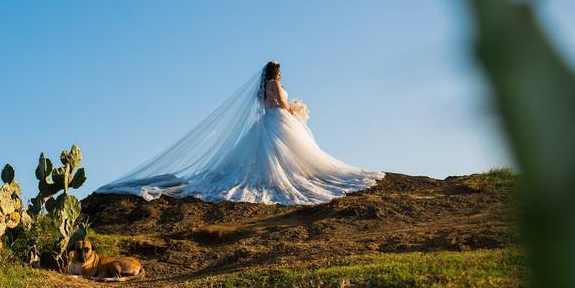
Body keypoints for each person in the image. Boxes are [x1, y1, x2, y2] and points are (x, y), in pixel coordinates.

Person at [95, 61, 384, 205]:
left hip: (271, 121)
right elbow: (277, 102)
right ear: (275, 73)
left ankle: (275, 178)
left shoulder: (262, 87)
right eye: (280, 73)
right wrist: (292, 109)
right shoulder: (273, 85)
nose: (281, 76)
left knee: (272, 157)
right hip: (279, 119)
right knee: (289, 155)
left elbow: (266, 102)